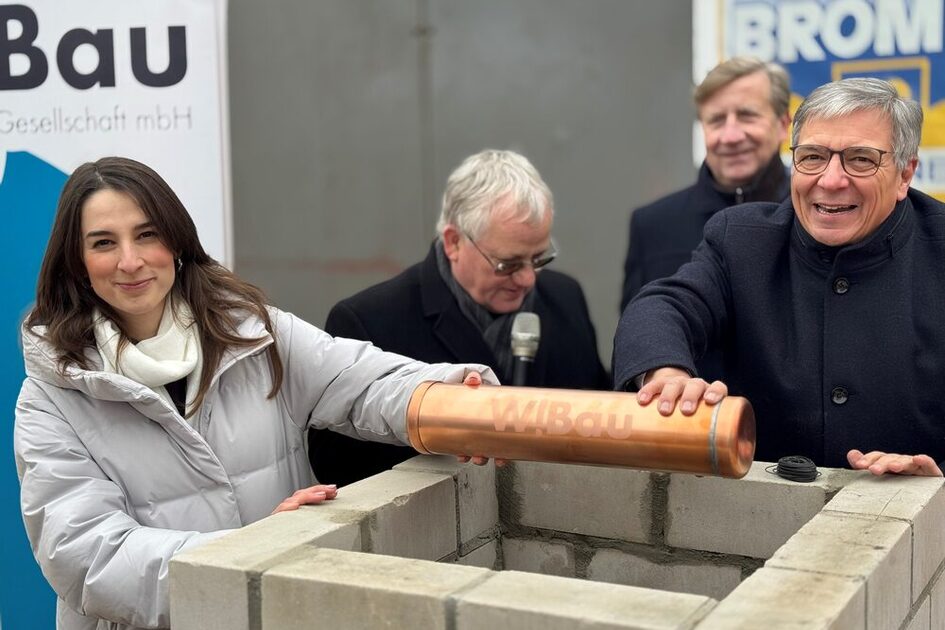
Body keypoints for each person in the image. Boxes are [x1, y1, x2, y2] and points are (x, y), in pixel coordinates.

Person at [14, 157, 497, 630]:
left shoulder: (254, 334)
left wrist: (452, 405)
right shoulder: (51, 396)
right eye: (104, 243)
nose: (130, 260)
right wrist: (257, 551)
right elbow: (89, 555)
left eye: (147, 234)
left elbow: (364, 381)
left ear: (176, 240)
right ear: (77, 263)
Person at [614, 77, 944, 477]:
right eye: (812, 157)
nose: (831, 180)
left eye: (860, 159)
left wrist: (934, 481)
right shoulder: (741, 241)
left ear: (905, 174)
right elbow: (663, 306)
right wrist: (667, 374)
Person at [309, 149, 609, 486]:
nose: (528, 279)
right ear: (454, 242)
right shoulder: (369, 322)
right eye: (507, 265)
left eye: (539, 259)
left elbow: (597, 413)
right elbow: (341, 472)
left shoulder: (565, 297)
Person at [620, 56, 792, 312]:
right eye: (716, 120)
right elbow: (635, 334)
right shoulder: (654, 226)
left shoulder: (814, 216)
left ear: (783, 126)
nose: (731, 136)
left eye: (747, 116)